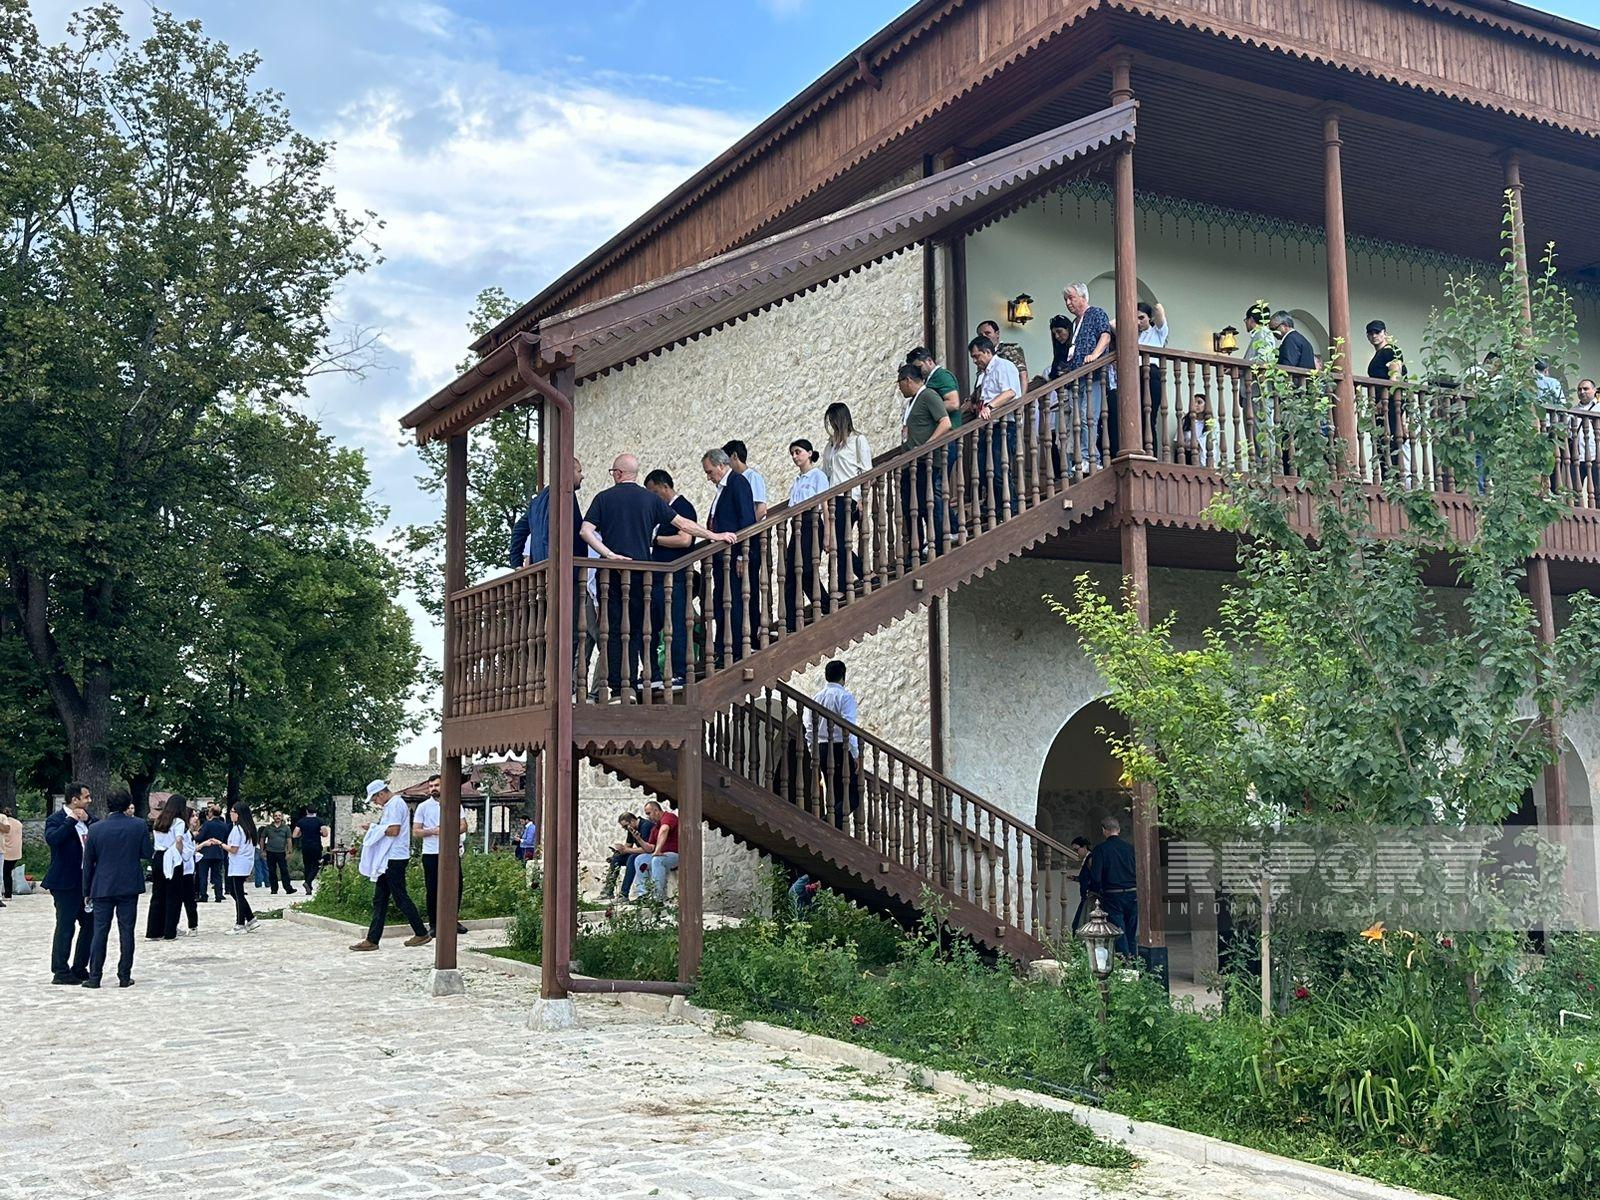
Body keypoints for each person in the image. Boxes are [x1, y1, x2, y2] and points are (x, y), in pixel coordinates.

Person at [582, 453, 731, 693]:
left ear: (618, 474)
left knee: (614, 631)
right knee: (637, 630)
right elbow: (684, 524)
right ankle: (633, 683)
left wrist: (609, 555)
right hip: (642, 575)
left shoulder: (603, 498)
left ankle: (619, 687)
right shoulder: (649, 499)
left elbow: (586, 531)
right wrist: (715, 535)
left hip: (610, 575)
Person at [350, 779, 431, 951]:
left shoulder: (395, 805)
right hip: (388, 858)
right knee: (380, 899)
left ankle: (421, 932)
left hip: (394, 858)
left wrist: (373, 828)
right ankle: (372, 939)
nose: (375, 803)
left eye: (375, 799)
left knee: (399, 897)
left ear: (381, 793)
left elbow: (394, 831)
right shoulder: (392, 805)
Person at [81, 790, 150, 989]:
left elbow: (88, 862)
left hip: (102, 885)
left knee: (100, 932)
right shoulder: (138, 825)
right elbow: (146, 852)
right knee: (126, 931)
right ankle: (124, 975)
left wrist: (87, 890)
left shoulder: (95, 828)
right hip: (129, 885)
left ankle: (95, 976)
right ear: (128, 804)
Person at [703, 447, 758, 665]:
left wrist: (743, 556)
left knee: (732, 601)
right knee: (722, 601)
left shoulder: (737, 483)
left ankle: (734, 648)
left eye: (709, 472)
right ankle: (724, 647)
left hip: (733, 556)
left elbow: (746, 520)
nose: (708, 477)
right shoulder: (725, 487)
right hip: (722, 558)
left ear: (721, 465)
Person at [644, 469, 698, 686]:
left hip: (675, 577)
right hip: (657, 578)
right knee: (649, 627)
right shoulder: (661, 512)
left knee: (675, 625)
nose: (653, 498)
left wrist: (655, 541)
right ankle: (653, 674)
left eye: (654, 493)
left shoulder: (682, 507)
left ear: (665, 487)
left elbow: (685, 539)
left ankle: (680, 672)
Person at [898, 363, 951, 564]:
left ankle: (936, 544)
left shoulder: (928, 395)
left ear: (907, 380)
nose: (899, 388)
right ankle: (916, 549)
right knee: (911, 508)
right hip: (910, 464)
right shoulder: (913, 401)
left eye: (900, 383)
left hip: (923, 462)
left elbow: (945, 422)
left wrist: (927, 445)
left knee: (925, 504)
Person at [44, 783, 94, 983]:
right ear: (74, 800)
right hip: (65, 882)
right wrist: (70, 821)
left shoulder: (88, 819)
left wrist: (87, 819)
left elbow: (99, 829)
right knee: (66, 926)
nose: (89, 800)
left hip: (86, 881)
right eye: (86, 797)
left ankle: (80, 967)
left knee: (90, 925)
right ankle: (60, 971)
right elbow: (53, 839)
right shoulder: (56, 819)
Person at [804, 659, 861, 831]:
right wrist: (855, 753)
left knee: (834, 793)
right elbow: (848, 727)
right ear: (843, 677)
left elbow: (809, 728)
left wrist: (813, 751)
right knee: (852, 797)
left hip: (822, 748)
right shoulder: (844, 697)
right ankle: (824, 823)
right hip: (839, 748)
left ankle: (832, 829)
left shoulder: (817, 698)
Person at [968, 335, 1021, 518]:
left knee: (999, 469)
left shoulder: (1003, 366)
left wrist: (990, 407)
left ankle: (1010, 507)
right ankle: (997, 507)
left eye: (977, 356)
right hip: (989, 426)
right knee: (984, 470)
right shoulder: (984, 374)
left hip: (1004, 425)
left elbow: (1010, 392)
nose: (975, 361)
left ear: (987, 352)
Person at [820, 403, 871, 590]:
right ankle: (842, 585)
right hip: (833, 499)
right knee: (839, 542)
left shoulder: (857, 440)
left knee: (841, 542)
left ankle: (865, 573)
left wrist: (863, 499)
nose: (831, 424)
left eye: (833, 419)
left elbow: (867, 472)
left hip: (849, 497)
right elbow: (826, 474)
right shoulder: (830, 446)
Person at [1062, 283, 1113, 469]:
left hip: (1093, 375)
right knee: (1077, 419)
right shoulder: (1075, 323)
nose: (1068, 303)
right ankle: (1082, 457)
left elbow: (1105, 336)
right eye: (1066, 299)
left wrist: (1095, 355)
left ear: (1083, 297)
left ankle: (1090, 458)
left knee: (1088, 416)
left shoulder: (1096, 313)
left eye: (1071, 298)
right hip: (1077, 378)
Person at [784, 439, 833, 631]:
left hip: (811, 522)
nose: (795, 456)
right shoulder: (797, 480)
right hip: (796, 525)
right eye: (792, 453)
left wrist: (827, 534)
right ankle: (789, 622)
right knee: (790, 572)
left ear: (809, 453)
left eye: (798, 452)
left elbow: (825, 505)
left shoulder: (817, 475)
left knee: (806, 569)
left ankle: (824, 604)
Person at [414, 781, 468, 939]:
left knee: (455, 886)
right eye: (431, 786)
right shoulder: (423, 807)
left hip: (450, 852)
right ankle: (434, 924)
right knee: (432, 888)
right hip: (431, 852)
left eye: (436, 785)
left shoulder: (454, 804)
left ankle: (452, 920)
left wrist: (448, 830)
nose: (433, 789)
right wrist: (433, 831)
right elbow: (416, 831)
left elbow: (463, 826)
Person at [201, 802, 262, 934]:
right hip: (245, 863)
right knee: (235, 892)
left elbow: (233, 849)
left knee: (238, 894)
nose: (231, 814)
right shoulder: (249, 829)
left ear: (238, 814)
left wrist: (219, 843)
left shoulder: (237, 829)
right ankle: (250, 918)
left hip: (238, 864)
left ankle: (240, 924)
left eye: (233, 812)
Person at [1085, 815, 1138, 958]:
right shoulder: (1130, 848)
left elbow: (1096, 876)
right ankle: (1134, 962)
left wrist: (1095, 890)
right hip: (1133, 893)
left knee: (1118, 930)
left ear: (1104, 830)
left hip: (1113, 894)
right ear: (1118, 830)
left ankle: (1125, 963)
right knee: (1131, 933)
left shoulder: (1101, 849)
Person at [1366, 320, 1408, 474]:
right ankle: (1387, 477)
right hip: (1383, 405)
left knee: (1390, 440)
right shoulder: (1379, 354)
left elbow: (1395, 377)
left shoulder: (1391, 350)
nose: (1374, 336)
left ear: (1385, 333)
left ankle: (1394, 477)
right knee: (1382, 441)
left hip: (1389, 403)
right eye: (1371, 333)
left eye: (1377, 332)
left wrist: (1383, 401)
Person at [147, 794, 190, 941]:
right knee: (173, 895)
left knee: (158, 894)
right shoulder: (178, 822)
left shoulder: (159, 820)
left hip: (158, 856)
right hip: (171, 857)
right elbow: (178, 840)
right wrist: (178, 852)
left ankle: (154, 931)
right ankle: (169, 930)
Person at [601, 811, 655, 901]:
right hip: (641, 853)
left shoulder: (645, 826)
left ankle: (624, 894)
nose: (625, 829)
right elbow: (628, 846)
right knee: (616, 859)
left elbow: (646, 849)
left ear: (632, 821)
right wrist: (619, 851)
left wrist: (626, 850)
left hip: (649, 854)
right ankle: (608, 890)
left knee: (631, 859)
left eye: (625, 826)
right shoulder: (631, 828)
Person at [633, 799, 679, 901]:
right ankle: (643, 895)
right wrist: (639, 839)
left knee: (657, 860)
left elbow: (664, 829)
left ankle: (658, 898)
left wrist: (657, 851)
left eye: (649, 813)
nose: (648, 817)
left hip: (676, 855)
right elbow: (650, 848)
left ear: (656, 811)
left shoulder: (669, 817)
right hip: (663, 855)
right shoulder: (655, 828)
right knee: (640, 860)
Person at [722, 440, 768, 521]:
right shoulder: (733, 481)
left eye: (726, 460)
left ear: (734, 455)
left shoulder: (752, 477)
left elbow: (761, 509)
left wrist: (748, 526)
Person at [976, 318, 1028, 383]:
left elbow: (1023, 375)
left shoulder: (1010, 349)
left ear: (997, 334)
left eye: (987, 333)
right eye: (981, 335)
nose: (984, 337)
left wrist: (1023, 390)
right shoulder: (982, 355)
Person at [196, 805, 228, 902]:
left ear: (211, 813)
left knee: (203, 875)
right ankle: (218, 895)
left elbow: (200, 837)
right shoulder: (224, 825)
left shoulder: (207, 824)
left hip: (205, 852)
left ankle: (203, 895)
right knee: (217, 875)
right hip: (218, 852)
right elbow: (226, 838)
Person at [292, 804, 326, 894]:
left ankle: (309, 888)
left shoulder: (301, 821)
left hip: (305, 846)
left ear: (307, 811)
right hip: (316, 846)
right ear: (316, 811)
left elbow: (294, 835)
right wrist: (320, 833)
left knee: (307, 865)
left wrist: (301, 834)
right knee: (316, 865)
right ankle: (308, 882)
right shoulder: (319, 821)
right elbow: (325, 834)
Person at [262, 810, 297, 895]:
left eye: (279, 815)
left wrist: (289, 851)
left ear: (282, 817)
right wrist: (262, 850)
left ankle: (288, 888)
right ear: (273, 817)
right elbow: (262, 838)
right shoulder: (268, 828)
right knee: (272, 871)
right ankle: (274, 889)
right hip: (270, 852)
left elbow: (289, 839)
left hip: (281, 852)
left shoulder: (286, 828)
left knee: (284, 871)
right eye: (276, 816)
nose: (277, 817)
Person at [1179, 393, 1216, 467]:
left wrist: (1199, 444)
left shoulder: (1212, 423)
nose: (1196, 405)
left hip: (1204, 457)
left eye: (1199, 402)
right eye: (1194, 403)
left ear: (1206, 405)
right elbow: (1178, 442)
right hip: (1188, 456)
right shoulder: (1186, 421)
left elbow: (1214, 442)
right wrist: (1191, 445)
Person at [179, 811, 200, 935]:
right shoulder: (183, 833)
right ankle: (191, 925)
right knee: (186, 899)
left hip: (189, 870)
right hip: (183, 870)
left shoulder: (189, 833)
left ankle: (193, 925)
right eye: (193, 816)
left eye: (196, 816)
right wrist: (202, 845)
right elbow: (187, 853)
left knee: (190, 899)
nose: (196, 818)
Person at [1068, 836, 1093, 933]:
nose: (1076, 853)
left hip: (1090, 896)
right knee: (1078, 924)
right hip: (1085, 896)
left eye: (1077, 850)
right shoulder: (1086, 860)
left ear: (1084, 847)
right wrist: (1075, 878)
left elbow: (1094, 877)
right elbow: (1086, 878)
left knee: (1081, 924)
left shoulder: (1090, 859)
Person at [0, 806, 20, 901]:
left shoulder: (5, 822)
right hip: (16, 851)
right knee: (8, 873)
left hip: (6, 851)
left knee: (5, 873)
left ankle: (7, 894)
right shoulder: (18, 823)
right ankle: (7, 894)